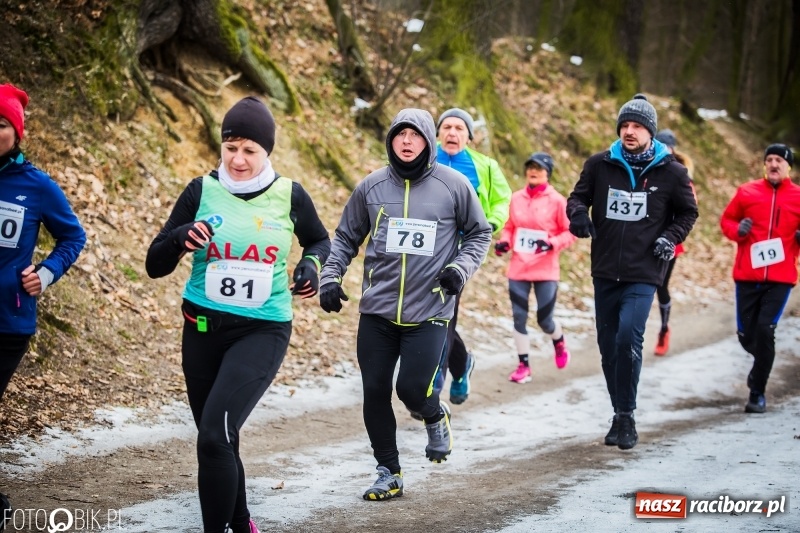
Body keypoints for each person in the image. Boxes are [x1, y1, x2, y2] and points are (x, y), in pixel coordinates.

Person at [145, 96, 330, 533]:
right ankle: (242, 523)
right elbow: (154, 264)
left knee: (214, 436)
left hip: (262, 331)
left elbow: (319, 241)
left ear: (267, 151)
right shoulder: (200, 191)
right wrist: (180, 238)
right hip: (201, 330)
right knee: (218, 438)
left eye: (250, 150)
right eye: (230, 148)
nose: (238, 159)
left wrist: (310, 267)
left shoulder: (289, 195)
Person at [318, 108, 491, 500]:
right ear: (390, 140)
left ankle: (434, 413)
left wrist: (459, 269)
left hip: (430, 309)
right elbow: (345, 237)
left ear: (428, 140)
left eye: (415, 135)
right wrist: (330, 276)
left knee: (412, 390)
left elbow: (480, 233)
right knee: (375, 389)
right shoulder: (372, 186)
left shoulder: (453, 185)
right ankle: (389, 471)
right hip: (377, 311)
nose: (407, 141)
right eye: (400, 134)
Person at [566, 94, 698, 450]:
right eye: (624, 125)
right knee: (608, 347)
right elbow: (577, 198)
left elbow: (688, 212)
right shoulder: (599, 165)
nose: (629, 131)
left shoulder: (672, 172)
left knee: (628, 338)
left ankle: (626, 414)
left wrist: (670, 237)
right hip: (605, 268)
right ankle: (619, 412)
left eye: (637, 126)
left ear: (650, 132)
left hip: (645, 270)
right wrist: (578, 216)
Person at [0, 83, 86, 530]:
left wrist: (47, 273)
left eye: (1, 124)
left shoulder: (36, 186)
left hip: (8, 319)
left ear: (17, 133)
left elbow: (73, 236)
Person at [433, 107, 512, 404]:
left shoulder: (485, 166)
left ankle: (433, 383)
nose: (452, 133)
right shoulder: (424, 158)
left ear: (469, 136)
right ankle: (462, 364)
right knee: (426, 312)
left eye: (459, 128)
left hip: (461, 252)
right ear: (438, 133)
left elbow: (503, 199)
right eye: (447, 127)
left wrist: (492, 222)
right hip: (423, 247)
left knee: (444, 311)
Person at [720, 144, 800, 414]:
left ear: (789, 167)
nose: (774, 164)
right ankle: (761, 363)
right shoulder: (747, 192)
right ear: (765, 164)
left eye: (779, 160)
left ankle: (757, 392)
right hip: (748, 275)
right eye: (770, 160)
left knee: (766, 330)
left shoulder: (798, 196)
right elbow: (727, 220)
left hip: (780, 278)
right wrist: (738, 230)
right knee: (746, 335)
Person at [494, 152, 576, 383]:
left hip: (545, 269)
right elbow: (509, 227)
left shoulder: (557, 201)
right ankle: (523, 365)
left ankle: (559, 341)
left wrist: (551, 243)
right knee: (519, 317)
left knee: (544, 320)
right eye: (530, 167)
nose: (533, 171)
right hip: (519, 267)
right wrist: (504, 242)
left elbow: (570, 232)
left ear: (547, 173)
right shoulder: (516, 198)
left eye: (539, 168)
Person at [652, 129, 696, 355]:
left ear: (673, 149)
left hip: (670, 242)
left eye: (667, 147)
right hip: (643, 238)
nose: (663, 150)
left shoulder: (681, 175)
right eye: (659, 145)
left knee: (660, 286)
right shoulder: (647, 169)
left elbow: (689, 211)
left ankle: (663, 329)